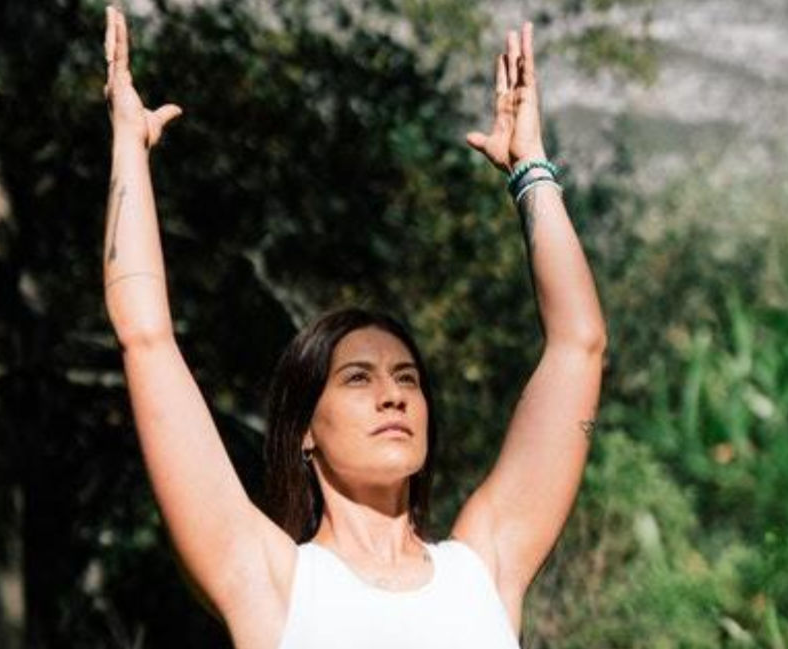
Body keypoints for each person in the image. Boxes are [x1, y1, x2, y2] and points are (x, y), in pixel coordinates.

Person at [101, 5, 606, 648]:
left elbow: (578, 345)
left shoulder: (485, 566)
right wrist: (127, 145)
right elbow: (147, 338)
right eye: (357, 378)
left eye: (407, 378)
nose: (393, 394)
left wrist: (530, 168)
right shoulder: (270, 581)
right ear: (306, 430)